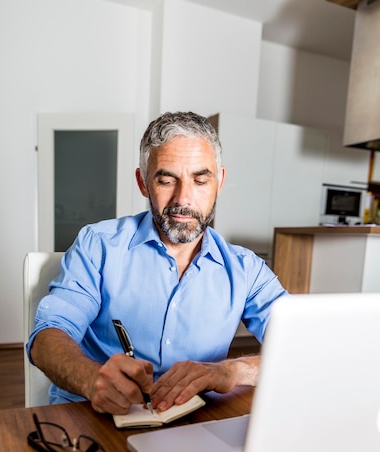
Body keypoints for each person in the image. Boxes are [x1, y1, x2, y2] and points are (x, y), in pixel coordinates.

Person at [27, 111, 287, 415]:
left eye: (200, 180)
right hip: (95, 419)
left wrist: (230, 372)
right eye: (166, 179)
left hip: (195, 424)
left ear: (220, 182)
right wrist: (90, 379)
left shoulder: (247, 270)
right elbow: (47, 337)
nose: (183, 199)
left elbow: (303, 347)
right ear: (143, 182)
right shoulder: (97, 245)